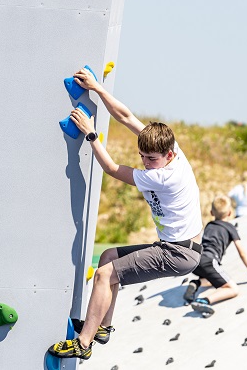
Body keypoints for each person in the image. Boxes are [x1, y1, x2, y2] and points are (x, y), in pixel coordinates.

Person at [48, 67, 203, 360]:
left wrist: (91, 134)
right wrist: (97, 88)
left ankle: (83, 343)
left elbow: (111, 168)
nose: (145, 163)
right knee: (108, 258)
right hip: (179, 247)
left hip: (178, 253)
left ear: (169, 156)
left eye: (152, 159)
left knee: (106, 274)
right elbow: (127, 117)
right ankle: (102, 327)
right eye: (142, 156)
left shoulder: (164, 176)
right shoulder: (172, 150)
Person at [183, 193, 247, 317]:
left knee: (211, 279)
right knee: (233, 289)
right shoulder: (230, 228)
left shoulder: (209, 225)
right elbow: (242, 252)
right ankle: (204, 301)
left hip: (196, 260)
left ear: (211, 213)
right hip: (209, 261)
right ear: (229, 213)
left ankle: (196, 284)